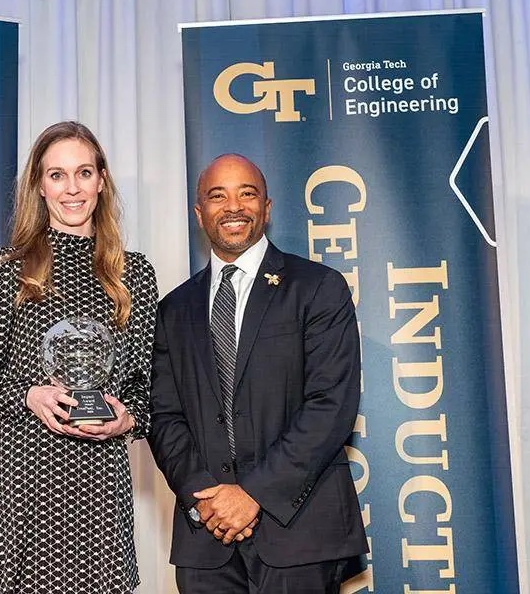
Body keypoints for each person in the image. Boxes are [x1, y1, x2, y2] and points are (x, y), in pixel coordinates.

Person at [0, 121, 157, 594]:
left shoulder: (135, 275)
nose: (72, 188)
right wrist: (28, 396)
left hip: (100, 493)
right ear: (39, 186)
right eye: (57, 175)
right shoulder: (5, 270)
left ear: (101, 180)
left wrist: (126, 420)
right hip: (24, 488)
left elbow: (147, 392)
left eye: (83, 173)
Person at [148, 153, 367, 593]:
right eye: (217, 196)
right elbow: (163, 415)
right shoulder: (174, 308)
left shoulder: (318, 288)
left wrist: (251, 494)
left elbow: (331, 406)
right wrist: (205, 497)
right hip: (205, 538)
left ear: (266, 207)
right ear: (199, 212)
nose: (233, 207)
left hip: (298, 530)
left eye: (246, 194)